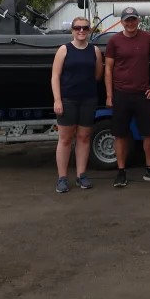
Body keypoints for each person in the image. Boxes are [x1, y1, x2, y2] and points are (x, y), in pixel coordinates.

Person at [104, 6, 150, 187]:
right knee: (120, 135)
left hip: (143, 94)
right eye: (127, 20)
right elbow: (108, 69)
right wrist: (109, 95)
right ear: (122, 22)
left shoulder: (147, 38)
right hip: (121, 94)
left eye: (133, 19)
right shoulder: (114, 41)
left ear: (138, 20)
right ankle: (121, 171)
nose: (130, 23)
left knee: (149, 133)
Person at [50, 17, 103, 193]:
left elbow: (97, 75)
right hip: (68, 100)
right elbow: (55, 76)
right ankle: (62, 178)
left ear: (89, 30)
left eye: (85, 28)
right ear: (72, 30)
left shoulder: (94, 51)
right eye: (77, 28)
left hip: (88, 100)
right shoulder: (64, 50)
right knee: (65, 139)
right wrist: (57, 99)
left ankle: (82, 175)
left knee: (84, 138)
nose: (81, 31)